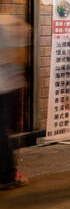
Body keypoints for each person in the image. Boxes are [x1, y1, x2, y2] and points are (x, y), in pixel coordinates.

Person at [0, 14, 28, 191]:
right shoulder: (13, 24)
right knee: (4, 132)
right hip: (8, 87)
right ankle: (7, 176)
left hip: (8, 85)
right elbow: (20, 58)